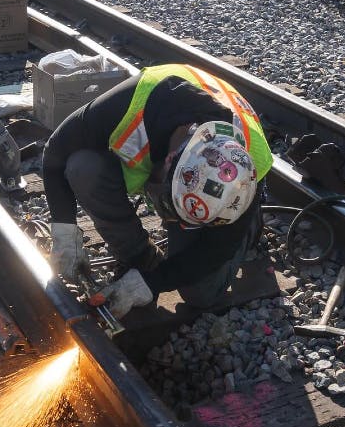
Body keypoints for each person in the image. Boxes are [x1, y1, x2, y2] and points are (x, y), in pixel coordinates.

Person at [44, 63, 273, 318]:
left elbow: (216, 250)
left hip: (223, 199)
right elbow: (55, 150)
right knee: (82, 167)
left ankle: (249, 227)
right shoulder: (132, 101)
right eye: (171, 208)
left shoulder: (247, 173)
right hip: (160, 142)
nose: (167, 217)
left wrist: (151, 283)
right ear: (170, 159)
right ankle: (140, 255)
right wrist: (64, 232)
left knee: (201, 294)